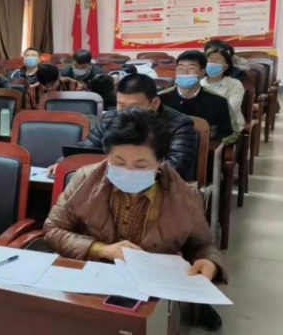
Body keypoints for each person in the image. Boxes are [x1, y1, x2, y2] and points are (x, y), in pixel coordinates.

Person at [43, 108, 227, 331]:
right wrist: (101, 249)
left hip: (152, 291)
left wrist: (208, 261)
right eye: (118, 162)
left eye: (141, 166)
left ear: (160, 162)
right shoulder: (85, 179)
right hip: (92, 282)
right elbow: (53, 229)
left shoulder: (184, 196)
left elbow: (202, 244)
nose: (128, 171)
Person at [46, 74, 197, 182]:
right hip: (108, 182)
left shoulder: (180, 125)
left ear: (155, 103)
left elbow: (176, 167)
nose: (126, 112)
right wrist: (63, 162)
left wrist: (128, 170)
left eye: (135, 107)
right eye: (121, 105)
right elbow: (84, 149)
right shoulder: (109, 118)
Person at [159, 50, 238, 145]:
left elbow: (229, 133)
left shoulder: (218, 101)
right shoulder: (160, 99)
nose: (184, 72)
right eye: (180, 68)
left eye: (191, 68)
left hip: (205, 150)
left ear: (202, 73)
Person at [202, 48, 246, 131]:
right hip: (202, 125)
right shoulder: (199, 83)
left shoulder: (235, 84)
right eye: (210, 60)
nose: (213, 63)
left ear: (225, 67)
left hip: (229, 125)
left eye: (218, 60)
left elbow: (233, 107)